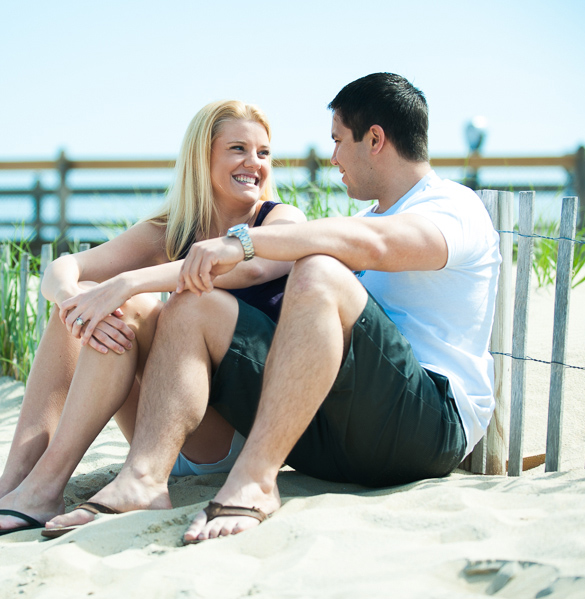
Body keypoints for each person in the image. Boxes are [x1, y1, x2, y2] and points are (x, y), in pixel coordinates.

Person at [43, 73, 501, 544]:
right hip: (331, 435)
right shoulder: (364, 216)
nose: (333, 156)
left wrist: (241, 242)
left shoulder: (452, 207)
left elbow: (376, 245)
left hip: (426, 424)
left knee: (319, 270)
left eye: (339, 140)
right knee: (192, 305)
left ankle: (255, 481)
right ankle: (141, 480)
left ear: (376, 139)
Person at [0, 100, 306, 541]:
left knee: (123, 305)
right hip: (159, 425)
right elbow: (63, 266)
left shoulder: (280, 219)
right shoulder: (171, 230)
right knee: (78, 310)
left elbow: (246, 268)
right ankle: (15, 482)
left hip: (230, 434)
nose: (254, 163)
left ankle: (42, 489)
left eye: (263, 153)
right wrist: (69, 296)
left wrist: (128, 284)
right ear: (202, 157)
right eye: (238, 149)